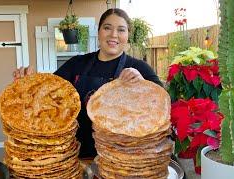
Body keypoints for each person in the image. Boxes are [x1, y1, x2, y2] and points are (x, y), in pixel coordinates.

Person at [13, 8, 163, 158]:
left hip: (118, 158)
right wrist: (28, 82)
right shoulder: (77, 63)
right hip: (75, 153)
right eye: (107, 28)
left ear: (128, 35)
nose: (113, 35)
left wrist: (143, 84)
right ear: (98, 32)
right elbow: (48, 91)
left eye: (121, 30)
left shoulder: (139, 68)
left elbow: (162, 105)